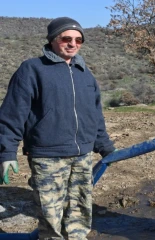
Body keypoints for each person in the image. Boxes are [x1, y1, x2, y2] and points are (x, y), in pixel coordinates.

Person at [0, 17, 116, 239]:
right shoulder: (32, 69)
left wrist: (106, 147)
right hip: (47, 156)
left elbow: (95, 115)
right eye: (66, 38)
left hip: (82, 156)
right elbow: (12, 114)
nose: (73, 44)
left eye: (78, 40)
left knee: (80, 210)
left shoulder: (85, 73)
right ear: (53, 40)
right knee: (50, 214)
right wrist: (6, 152)